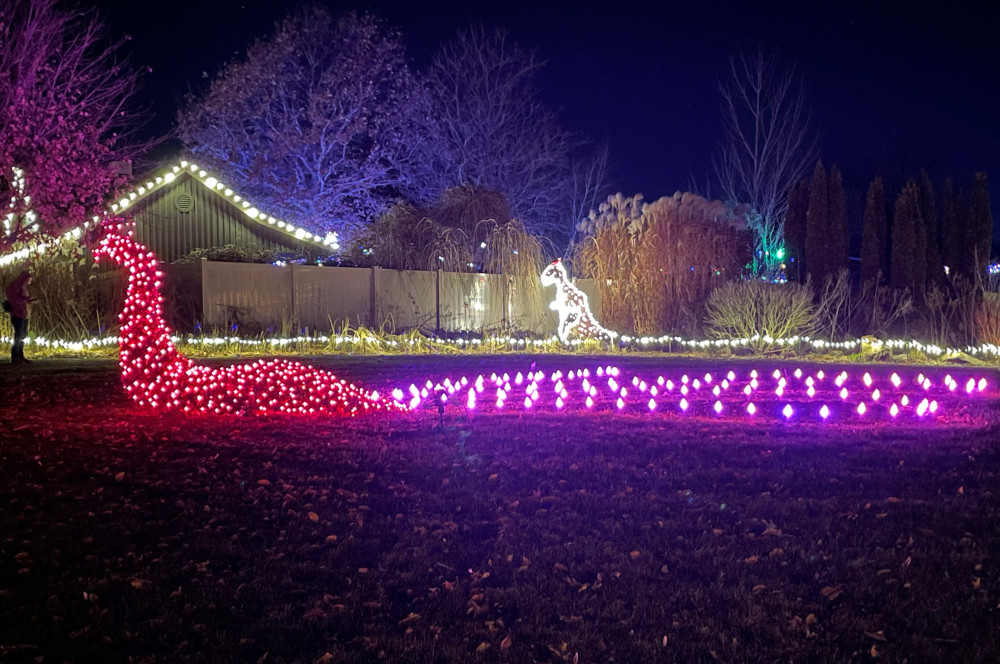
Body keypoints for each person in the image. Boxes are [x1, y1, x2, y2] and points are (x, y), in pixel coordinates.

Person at [5, 270, 36, 364]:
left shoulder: (23, 288)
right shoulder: (15, 287)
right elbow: (13, 299)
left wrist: (29, 301)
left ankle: (20, 355)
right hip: (17, 314)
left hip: (24, 314)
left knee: (22, 335)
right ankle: (15, 356)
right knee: (18, 335)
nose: (29, 282)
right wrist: (26, 299)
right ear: (24, 279)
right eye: (28, 280)